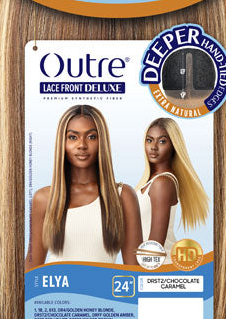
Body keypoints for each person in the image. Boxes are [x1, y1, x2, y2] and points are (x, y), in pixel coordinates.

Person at [25, 105, 142, 270]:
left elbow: (136, 271)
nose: (82, 145)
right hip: (55, 287)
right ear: (62, 142)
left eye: (91, 137)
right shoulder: (44, 198)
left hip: (102, 287)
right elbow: (31, 269)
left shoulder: (122, 196)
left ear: (102, 142)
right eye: (73, 137)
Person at [135, 118, 209, 263]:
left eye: (162, 141)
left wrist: (139, 271)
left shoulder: (162, 183)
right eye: (149, 140)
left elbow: (155, 244)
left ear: (174, 146)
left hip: (158, 265)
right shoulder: (151, 181)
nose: (153, 147)